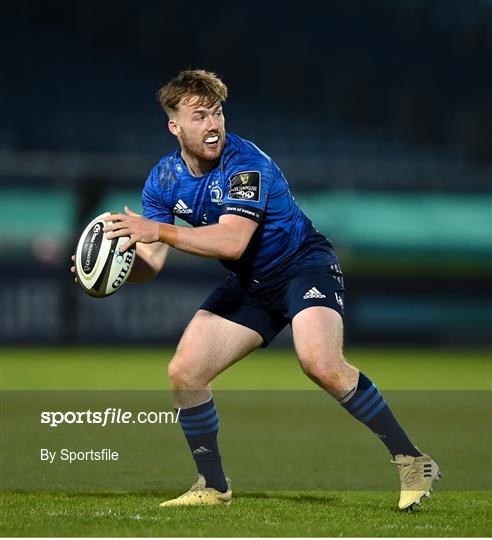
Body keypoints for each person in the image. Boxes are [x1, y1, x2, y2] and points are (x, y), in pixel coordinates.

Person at [81, 69, 441, 509]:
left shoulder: (245, 163)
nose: (213, 124)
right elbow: (152, 262)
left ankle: (412, 460)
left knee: (320, 363)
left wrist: (155, 229)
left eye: (217, 113)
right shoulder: (163, 180)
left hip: (304, 267)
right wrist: (108, 273)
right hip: (251, 284)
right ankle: (213, 486)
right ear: (174, 125)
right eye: (199, 116)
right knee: (185, 372)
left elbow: (232, 240)